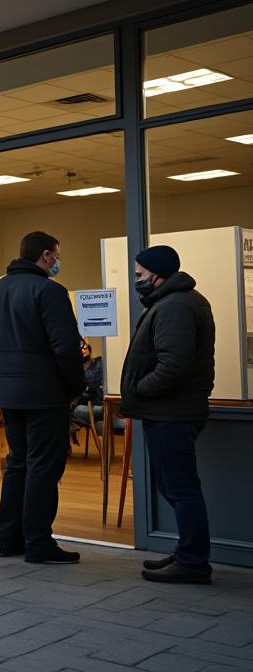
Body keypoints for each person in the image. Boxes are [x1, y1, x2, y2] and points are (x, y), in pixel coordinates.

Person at [0, 231, 85, 565]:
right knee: (43, 465)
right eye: (56, 255)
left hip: (9, 394)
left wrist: (4, 379)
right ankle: (39, 540)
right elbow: (66, 348)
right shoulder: (50, 292)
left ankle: (8, 538)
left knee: (18, 463)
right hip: (45, 394)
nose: (57, 261)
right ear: (46, 256)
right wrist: (74, 387)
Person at [121, 245, 216, 584]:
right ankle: (187, 552)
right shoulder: (172, 302)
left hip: (173, 412)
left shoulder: (175, 306)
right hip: (169, 411)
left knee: (181, 488)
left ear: (157, 274)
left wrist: (138, 389)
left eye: (139, 274)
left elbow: (173, 366)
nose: (137, 280)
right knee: (174, 485)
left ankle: (193, 561)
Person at [71, 340, 105, 435]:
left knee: (74, 410)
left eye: (84, 346)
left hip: (101, 405)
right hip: (88, 405)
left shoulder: (99, 362)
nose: (83, 349)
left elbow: (91, 386)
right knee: (70, 409)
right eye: (80, 348)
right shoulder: (75, 369)